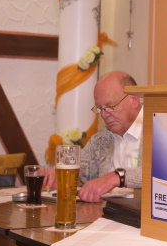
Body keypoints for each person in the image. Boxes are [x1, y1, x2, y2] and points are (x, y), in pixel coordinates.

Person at [43, 71, 143, 202]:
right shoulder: (101, 139)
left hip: (148, 213)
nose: (104, 115)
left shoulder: (160, 130)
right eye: (100, 108)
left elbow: (161, 174)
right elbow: (81, 175)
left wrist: (117, 177)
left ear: (133, 100)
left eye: (110, 106)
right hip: (107, 212)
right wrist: (57, 178)